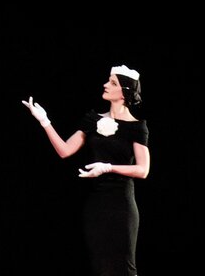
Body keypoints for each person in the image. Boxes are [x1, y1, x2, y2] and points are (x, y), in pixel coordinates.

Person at [22, 65, 150, 276]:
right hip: (96, 205)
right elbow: (65, 150)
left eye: (113, 83)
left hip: (121, 205)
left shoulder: (136, 127)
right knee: (100, 265)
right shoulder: (93, 120)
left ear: (125, 91)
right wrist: (45, 121)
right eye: (108, 80)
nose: (105, 85)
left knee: (123, 265)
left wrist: (107, 167)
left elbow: (143, 169)